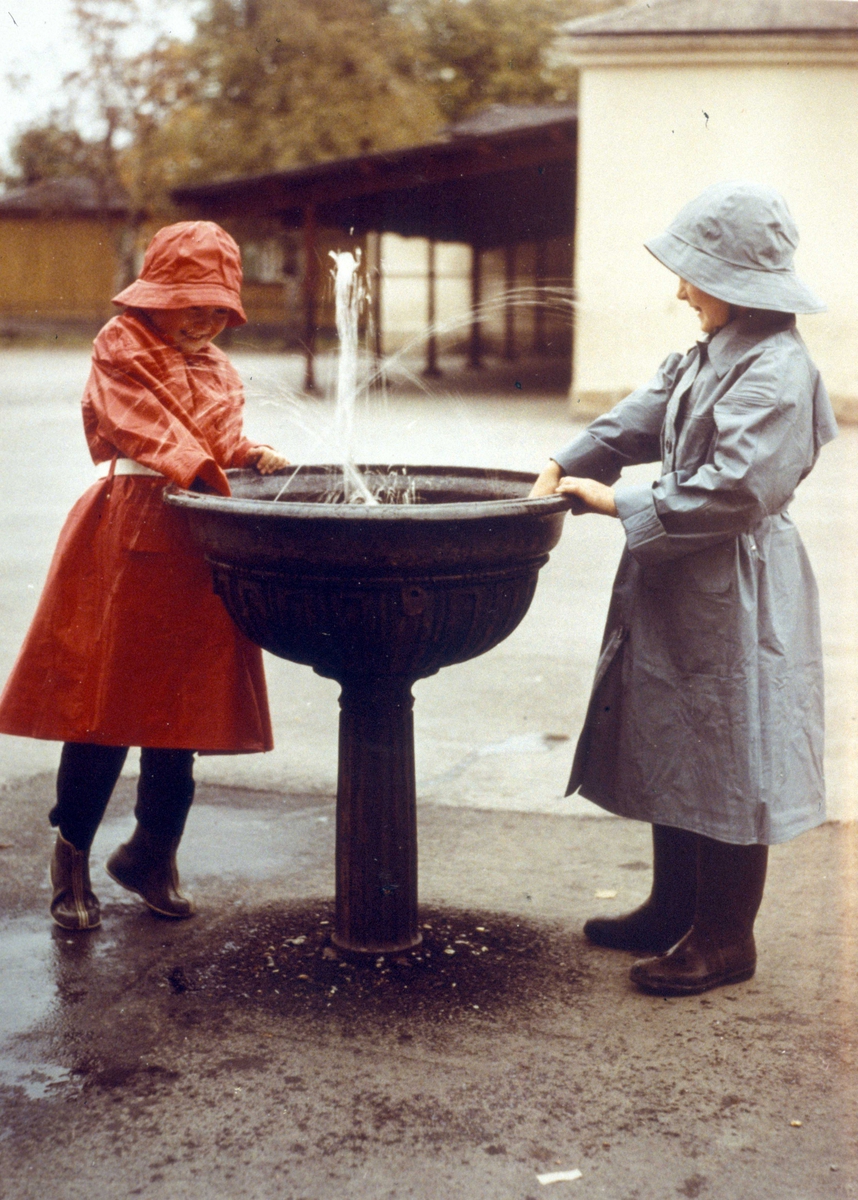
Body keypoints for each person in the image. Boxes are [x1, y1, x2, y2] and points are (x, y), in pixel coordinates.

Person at [530, 181, 837, 996]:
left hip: (735, 583)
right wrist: (570, 460)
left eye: (692, 273)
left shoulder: (775, 370)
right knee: (674, 731)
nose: (680, 289)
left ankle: (726, 936)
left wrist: (610, 498)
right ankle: (674, 906)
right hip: (681, 575)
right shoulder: (716, 349)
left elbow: (735, 490)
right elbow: (641, 414)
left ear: (734, 281)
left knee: (733, 745)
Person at [0, 220, 290, 931]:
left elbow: (216, 439)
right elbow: (143, 428)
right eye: (189, 300)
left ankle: (151, 855)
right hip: (129, 531)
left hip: (197, 538)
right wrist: (209, 470)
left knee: (180, 711)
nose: (203, 317)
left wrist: (250, 455)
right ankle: (70, 860)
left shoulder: (222, 368)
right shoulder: (121, 342)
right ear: (155, 296)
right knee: (106, 706)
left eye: (217, 306)